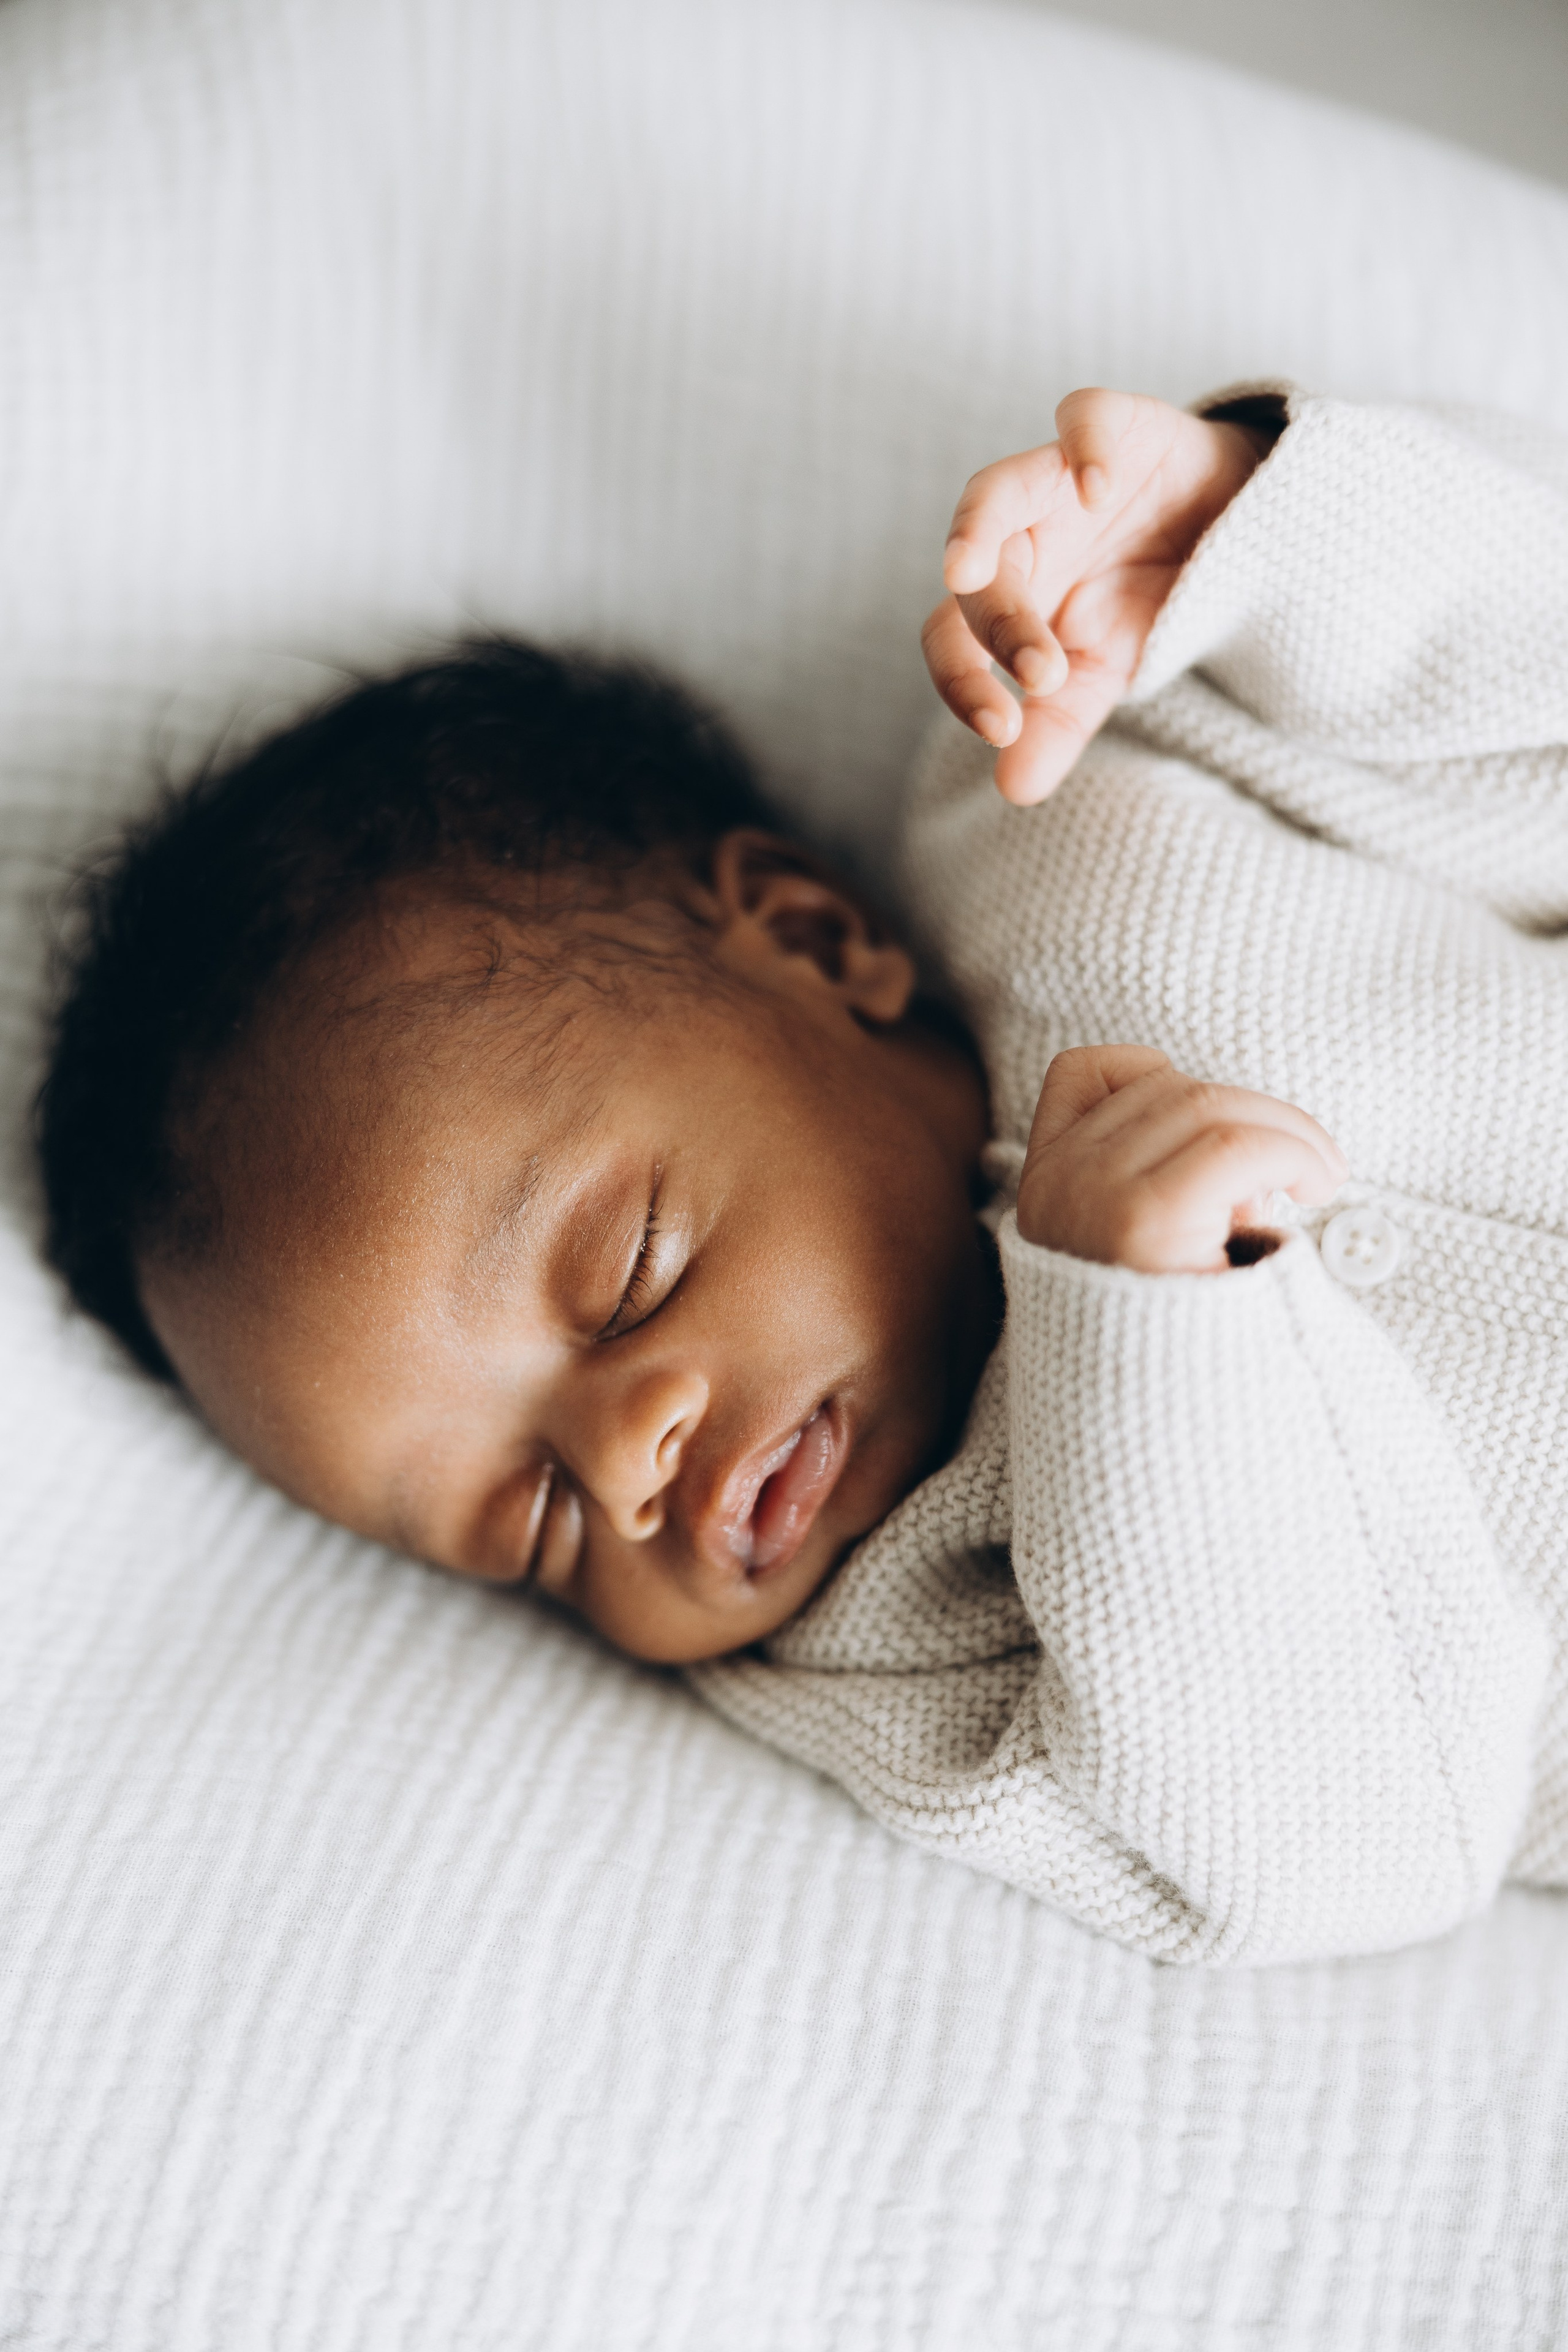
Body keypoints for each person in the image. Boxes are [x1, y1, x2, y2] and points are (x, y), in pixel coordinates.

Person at [36, 383, 1568, 1962]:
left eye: (631, 1270)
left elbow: (1524, 715)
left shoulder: (1074, 817)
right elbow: (1368, 1848)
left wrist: (1230, 551)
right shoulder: (909, 1653)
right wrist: (1162, 1350)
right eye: (536, 1525)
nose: (630, 1468)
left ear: (812, 943)